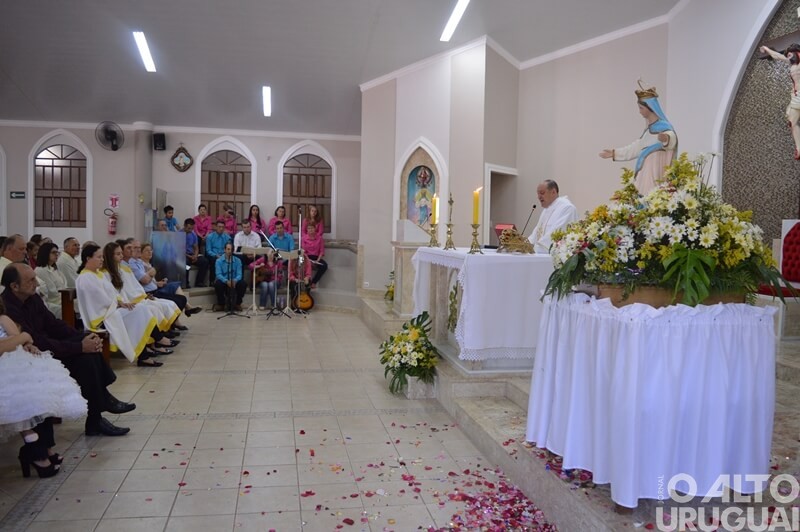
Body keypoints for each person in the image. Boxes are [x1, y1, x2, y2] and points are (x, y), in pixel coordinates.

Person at [1, 263, 134, 437]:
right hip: (32, 356)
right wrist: (79, 346)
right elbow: (37, 341)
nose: (37, 283)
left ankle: (102, 403)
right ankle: (98, 413)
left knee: (91, 345)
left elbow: (53, 324)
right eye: (31, 280)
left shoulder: (32, 298)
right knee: (85, 359)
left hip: (48, 344)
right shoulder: (8, 308)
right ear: (14, 286)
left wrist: (81, 337)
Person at [0, 303, 86, 478]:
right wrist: (22, 337)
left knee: (39, 389)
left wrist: (25, 341)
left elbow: (22, 340)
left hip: (15, 362)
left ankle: (42, 448)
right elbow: (17, 339)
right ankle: (35, 448)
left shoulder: (2, 319)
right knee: (16, 391)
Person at [75, 244, 162, 367]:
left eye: (102, 257)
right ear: (88, 259)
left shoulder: (97, 274)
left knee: (140, 310)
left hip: (110, 311)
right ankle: (145, 354)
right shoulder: (85, 277)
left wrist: (120, 301)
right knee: (138, 311)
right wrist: (117, 304)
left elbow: (112, 293)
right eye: (99, 257)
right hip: (101, 317)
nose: (102, 259)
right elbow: (99, 301)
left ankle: (144, 354)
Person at [599, 84, 677, 194]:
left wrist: (665, 138)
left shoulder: (663, 126)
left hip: (656, 174)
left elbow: (672, 139)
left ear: (650, 108)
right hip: (646, 175)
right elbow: (636, 147)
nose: (639, 111)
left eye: (641, 108)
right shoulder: (648, 131)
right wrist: (615, 153)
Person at [132, 242, 201, 317]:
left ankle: (187, 307)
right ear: (141, 254)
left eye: (151, 250)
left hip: (155, 286)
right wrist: (153, 276)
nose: (150, 252)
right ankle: (187, 308)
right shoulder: (140, 264)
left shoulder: (149, 264)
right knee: (175, 290)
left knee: (176, 285)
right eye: (147, 251)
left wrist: (158, 282)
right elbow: (145, 280)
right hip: (150, 292)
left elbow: (151, 280)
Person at [761, 44, 800, 160]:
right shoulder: (791, 63)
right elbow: (777, 56)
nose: (789, 57)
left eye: (790, 54)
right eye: (788, 56)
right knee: (791, 121)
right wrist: (767, 49)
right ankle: (799, 148)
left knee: (792, 119)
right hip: (796, 96)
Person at [527, 180, 578, 254]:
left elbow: (554, 235)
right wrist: (524, 245)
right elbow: (536, 232)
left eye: (542, 193)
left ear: (553, 192)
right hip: (540, 255)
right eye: (538, 194)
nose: (539, 197)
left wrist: (536, 248)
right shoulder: (546, 210)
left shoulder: (567, 208)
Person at [34, 242, 67, 319]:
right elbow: (52, 292)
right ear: (45, 253)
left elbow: (64, 285)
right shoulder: (41, 270)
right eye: (53, 252)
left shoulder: (55, 269)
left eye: (57, 252)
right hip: (52, 301)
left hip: (61, 297)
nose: (56, 255)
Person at [214, 242, 246, 312]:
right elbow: (218, 274)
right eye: (228, 249)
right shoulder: (218, 261)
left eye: (231, 250)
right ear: (224, 250)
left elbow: (239, 274)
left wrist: (235, 280)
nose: (229, 251)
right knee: (218, 284)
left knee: (242, 283)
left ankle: (238, 303)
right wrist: (226, 281)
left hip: (234, 281)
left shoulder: (238, 260)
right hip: (224, 281)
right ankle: (221, 304)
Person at [183, 219, 209, 287]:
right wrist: (189, 256)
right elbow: (179, 250)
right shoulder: (179, 234)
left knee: (204, 261)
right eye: (189, 228)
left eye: (192, 228)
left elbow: (196, 247)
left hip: (192, 255)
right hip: (184, 255)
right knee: (186, 264)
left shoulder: (193, 234)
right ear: (184, 226)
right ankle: (186, 282)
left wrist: (195, 255)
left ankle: (199, 282)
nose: (190, 230)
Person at [302, 222, 327, 288]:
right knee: (302, 264)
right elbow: (303, 251)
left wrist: (318, 260)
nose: (310, 230)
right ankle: (305, 281)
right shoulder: (304, 238)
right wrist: (308, 260)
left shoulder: (320, 238)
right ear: (307, 230)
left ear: (315, 228)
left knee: (324, 266)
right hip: (307, 257)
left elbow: (322, 251)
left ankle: (314, 282)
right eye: (309, 228)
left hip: (316, 257)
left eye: (312, 228)